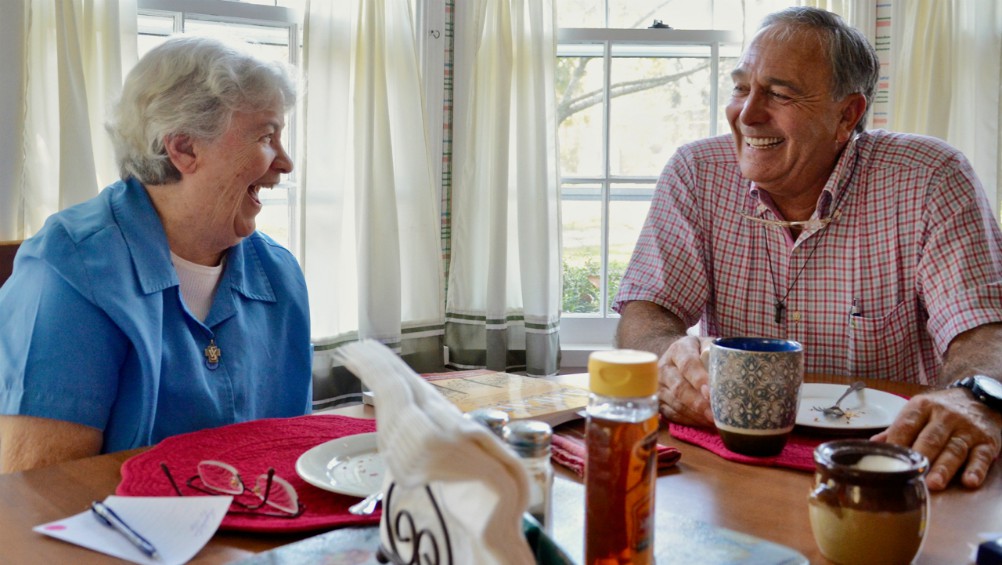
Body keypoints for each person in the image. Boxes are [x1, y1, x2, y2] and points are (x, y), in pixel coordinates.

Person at [613, 7, 1002, 491]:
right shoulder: (697, 171)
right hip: (733, 466)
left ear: (847, 115)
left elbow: (982, 332)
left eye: (779, 93)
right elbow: (647, 310)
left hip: (884, 467)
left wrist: (970, 397)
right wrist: (670, 358)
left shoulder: (929, 176)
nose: (747, 114)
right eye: (740, 88)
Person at [0, 36, 312, 472]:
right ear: (183, 148)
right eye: (266, 136)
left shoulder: (279, 275)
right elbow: (41, 496)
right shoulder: (70, 271)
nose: (285, 162)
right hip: (116, 540)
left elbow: (294, 461)